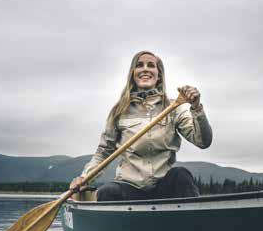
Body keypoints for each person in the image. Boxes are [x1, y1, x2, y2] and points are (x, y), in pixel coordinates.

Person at [69, 50, 213, 201]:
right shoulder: (119, 111)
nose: (145, 69)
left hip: (164, 186)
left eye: (151, 65)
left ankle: (194, 220)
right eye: (139, 65)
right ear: (133, 74)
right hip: (129, 186)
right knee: (108, 192)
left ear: (159, 75)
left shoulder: (173, 108)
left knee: (181, 175)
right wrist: (84, 178)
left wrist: (196, 108)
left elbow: (203, 141)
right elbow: (104, 152)